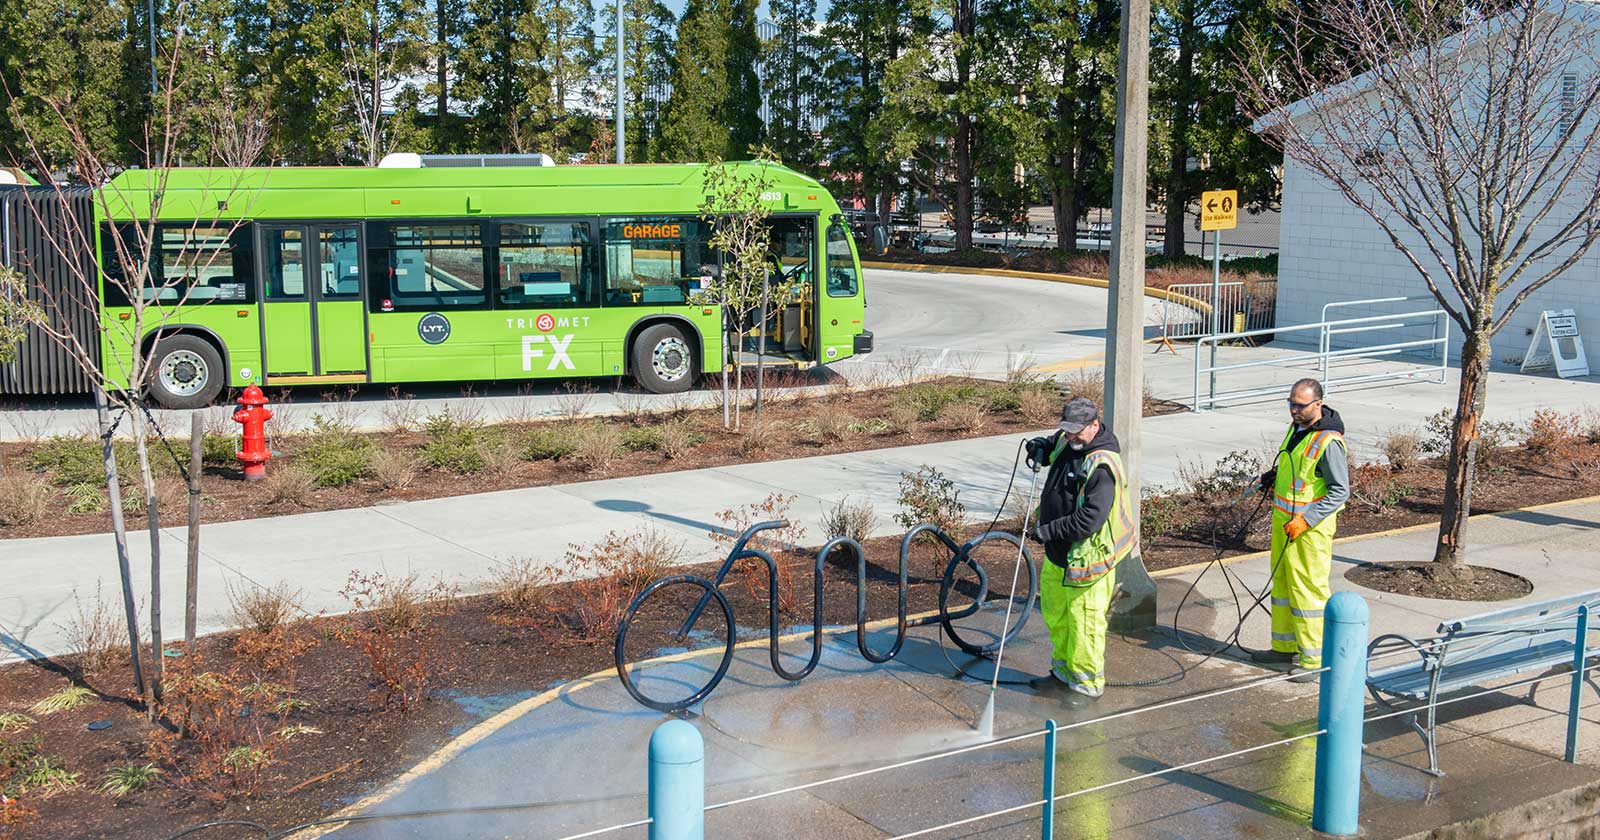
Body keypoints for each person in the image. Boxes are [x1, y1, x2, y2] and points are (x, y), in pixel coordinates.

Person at [1023, 397, 1136, 701]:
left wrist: (1048, 531)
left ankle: (1086, 687)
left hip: (1087, 559)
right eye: (1067, 430)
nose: (1070, 436)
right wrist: (1039, 447)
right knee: (1057, 616)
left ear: (1094, 425)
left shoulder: (1102, 464)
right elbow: (1053, 445)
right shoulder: (1067, 440)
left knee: (1084, 624)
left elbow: (1089, 520)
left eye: (1077, 431)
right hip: (1059, 555)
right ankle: (1062, 675)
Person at [1255, 378, 1349, 683]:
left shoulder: (1328, 442)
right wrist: (1273, 476)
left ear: (1318, 405)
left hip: (1309, 531)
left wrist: (1306, 520)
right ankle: (1284, 647)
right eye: (1291, 403)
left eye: (1300, 405)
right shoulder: (1296, 430)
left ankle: (1314, 659)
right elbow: (1296, 469)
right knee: (1282, 586)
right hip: (1285, 524)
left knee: (1307, 590)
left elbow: (1339, 491)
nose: (1294, 410)